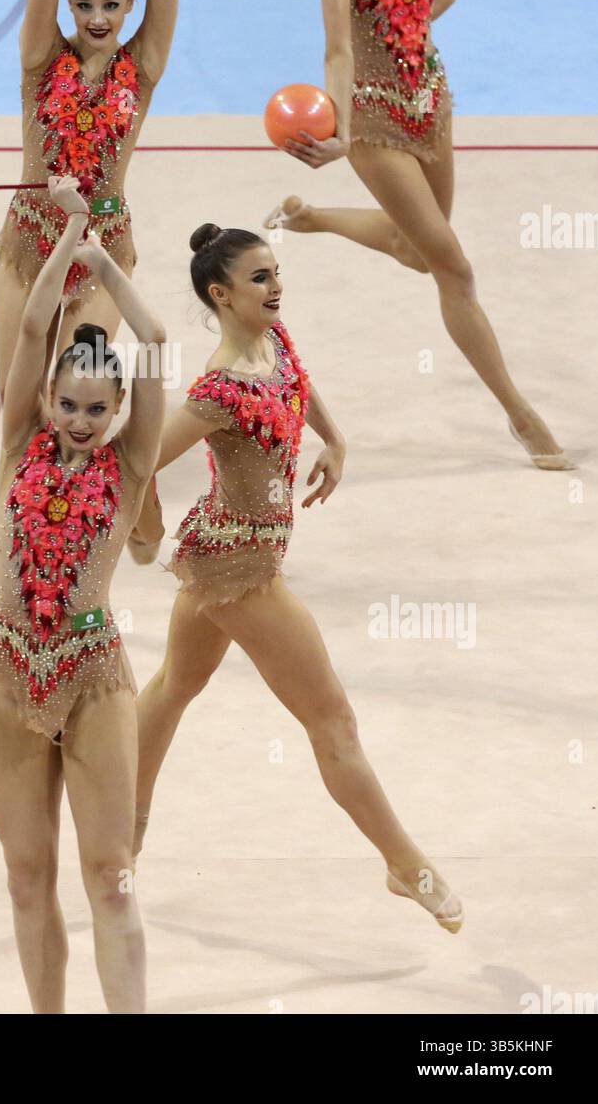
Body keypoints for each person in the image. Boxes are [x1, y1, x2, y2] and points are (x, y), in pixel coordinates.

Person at [129, 224, 464, 934]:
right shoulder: (217, 391)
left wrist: (335, 438)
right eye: (258, 279)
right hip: (239, 569)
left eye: (275, 273)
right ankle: (406, 865)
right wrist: (143, 527)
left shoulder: (273, 342)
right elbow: (137, 461)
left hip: (230, 551)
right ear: (221, 294)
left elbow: (299, 385)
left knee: (172, 688)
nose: (275, 286)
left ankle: (116, 838)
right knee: (332, 721)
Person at [265, 0, 571, 470]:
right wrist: (342, 130)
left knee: (415, 249)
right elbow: (339, 46)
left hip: (433, 105)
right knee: (454, 269)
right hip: (374, 121)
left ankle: (309, 219)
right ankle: (521, 415)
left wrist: (410, 20)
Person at [0, 172, 166, 1012]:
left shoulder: (129, 469)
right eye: (69, 403)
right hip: (12, 671)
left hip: (91, 680)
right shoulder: (19, 442)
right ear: (47, 400)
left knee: (110, 877)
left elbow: (155, 338)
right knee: (25, 877)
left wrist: (104, 259)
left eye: (97, 406)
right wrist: (68, 232)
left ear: (119, 408)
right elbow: (28, 324)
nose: (81, 420)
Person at [0, 0, 179, 402]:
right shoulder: (41, 56)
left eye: (112, 5)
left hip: (102, 248)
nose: (98, 19)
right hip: (30, 240)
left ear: (129, 6)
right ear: (68, 6)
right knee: (21, 408)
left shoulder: (142, 66)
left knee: (81, 402)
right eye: (84, 5)